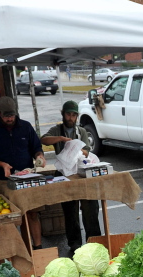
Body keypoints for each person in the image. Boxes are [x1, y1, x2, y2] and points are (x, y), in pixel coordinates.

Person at [0, 96, 46, 248]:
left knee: (32, 212)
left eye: (12, 115)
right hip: (3, 180)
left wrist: (40, 157)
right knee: (9, 216)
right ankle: (15, 250)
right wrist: (2, 164)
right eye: (6, 116)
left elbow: (36, 147)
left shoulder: (26, 126)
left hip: (26, 178)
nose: (9, 119)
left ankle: (37, 247)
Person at [41, 101, 102, 255]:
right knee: (70, 211)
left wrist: (78, 150)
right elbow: (44, 139)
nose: (71, 117)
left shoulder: (80, 130)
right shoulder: (57, 129)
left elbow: (88, 151)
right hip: (64, 176)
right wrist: (61, 139)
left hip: (81, 174)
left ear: (77, 116)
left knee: (90, 208)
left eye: (74, 114)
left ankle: (94, 241)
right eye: (68, 114)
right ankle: (74, 244)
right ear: (63, 114)